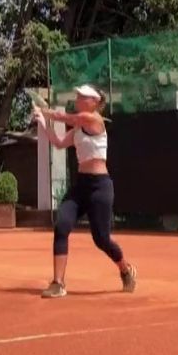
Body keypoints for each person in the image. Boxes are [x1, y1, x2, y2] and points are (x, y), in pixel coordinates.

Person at [33, 84, 135, 298]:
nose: (78, 98)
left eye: (83, 96)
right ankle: (58, 283)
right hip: (80, 186)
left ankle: (125, 269)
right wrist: (43, 122)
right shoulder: (78, 128)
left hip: (100, 187)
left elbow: (64, 117)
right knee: (62, 225)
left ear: (95, 102)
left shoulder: (93, 119)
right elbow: (59, 143)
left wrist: (45, 111)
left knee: (102, 240)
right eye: (78, 95)